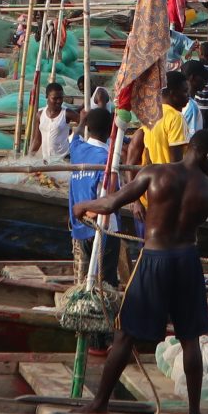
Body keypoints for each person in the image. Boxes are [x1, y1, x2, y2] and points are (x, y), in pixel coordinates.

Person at [75, 131, 208, 414]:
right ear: (206, 155)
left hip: (154, 260)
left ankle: (100, 403)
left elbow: (111, 204)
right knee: (190, 339)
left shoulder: (154, 174)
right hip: (186, 262)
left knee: (126, 336)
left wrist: (82, 206)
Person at [67, 107, 122, 287]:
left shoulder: (77, 149)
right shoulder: (107, 159)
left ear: (88, 128)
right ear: (109, 132)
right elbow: (112, 197)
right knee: (105, 284)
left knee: (86, 280)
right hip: (104, 228)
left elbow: (75, 136)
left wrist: (83, 119)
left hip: (81, 228)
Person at [128, 71, 191, 168]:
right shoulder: (176, 117)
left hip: (156, 175)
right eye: (185, 91)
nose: (188, 95)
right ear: (172, 93)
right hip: (170, 177)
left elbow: (148, 154)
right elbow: (176, 162)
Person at [34, 82, 75, 160]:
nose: (59, 101)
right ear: (47, 97)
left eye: (61, 98)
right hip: (46, 161)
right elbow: (37, 140)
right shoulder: (40, 115)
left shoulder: (67, 113)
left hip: (64, 160)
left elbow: (85, 123)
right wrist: (29, 157)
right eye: (55, 98)